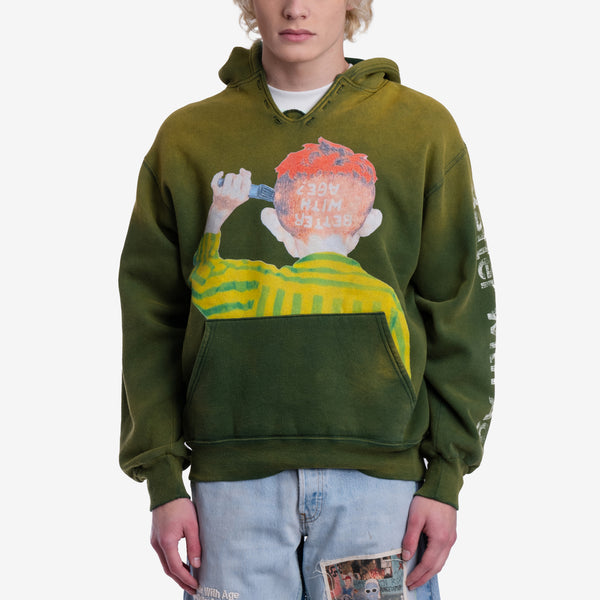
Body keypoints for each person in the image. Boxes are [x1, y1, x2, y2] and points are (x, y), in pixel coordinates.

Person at [118, 1, 496, 599]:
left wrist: (446, 477)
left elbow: (460, 310)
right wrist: (162, 478)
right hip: (231, 492)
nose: (296, 8)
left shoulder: (422, 129)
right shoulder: (187, 138)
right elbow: (152, 318)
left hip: (381, 492)